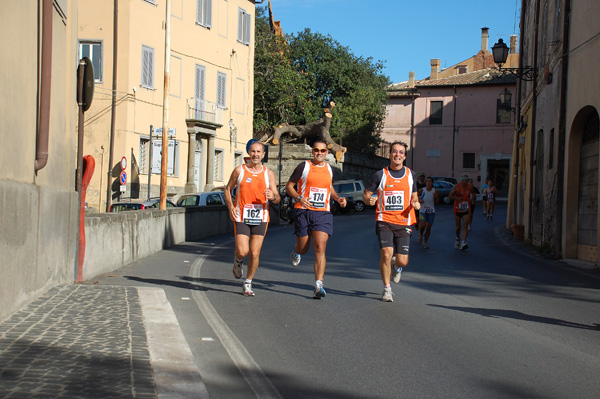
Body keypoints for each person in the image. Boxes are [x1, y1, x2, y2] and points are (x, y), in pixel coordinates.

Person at [286, 140, 347, 299]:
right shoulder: (303, 167)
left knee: (320, 247)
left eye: (322, 150)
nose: (319, 153)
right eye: (316, 150)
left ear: (327, 153)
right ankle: (297, 251)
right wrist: (299, 198)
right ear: (312, 151)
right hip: (303, 211)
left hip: (322, 213)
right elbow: (289, 186)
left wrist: (338, 198)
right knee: (304, 248)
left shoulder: (329, 169)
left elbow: (329, 188)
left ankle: (318, 285)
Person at [363, 141, 420, 302]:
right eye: (395, 151)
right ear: (389, 154)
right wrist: (369, 200)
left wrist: (416, 202)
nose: (397, 155)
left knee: (403, 260)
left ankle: (397, 267)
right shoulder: (380, 175)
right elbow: (366, 195)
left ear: (405, 156)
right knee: (386, 254)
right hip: (384, 220)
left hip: (404, 221)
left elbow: (414, 194)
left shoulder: (411, 175)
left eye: (401, 152)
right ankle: (387, 289)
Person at [224, 141, 279, 296]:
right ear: (249, 153)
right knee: (243, 251)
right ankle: (238, 261)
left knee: (255, 253)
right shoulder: (239, 171)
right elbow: (227, 190)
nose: (255, 154)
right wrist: (231, 207)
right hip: (242, 216)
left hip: (261, 217)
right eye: (253, 151)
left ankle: (248, 283)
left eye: (258, 152)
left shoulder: (268, 174)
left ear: (263, 155)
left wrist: (273, 196)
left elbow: (277, 198)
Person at [448, 175, 476, 251]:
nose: (464, 182)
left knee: (465, 226)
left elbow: (473, 193)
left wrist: (472, 199)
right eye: (463, 180)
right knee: (458, 227)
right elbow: (450, 196)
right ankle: (457, 238)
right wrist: (456, 198)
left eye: (465, 180)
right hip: (457, 209)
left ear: (467, 181)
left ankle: (463, 242)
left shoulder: (469, 187)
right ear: (460, 180)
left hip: (466, 209)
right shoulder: (456, 187)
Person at [417, 176, 439, 249]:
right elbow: (415, 197)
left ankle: (425, 242)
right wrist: (419, 201)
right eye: (427, 181)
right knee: (422, 225)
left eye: (430, 181)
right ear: (425, 182)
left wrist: (435, 198)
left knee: (428, 228)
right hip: (422, 210)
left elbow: (437, 202)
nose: (428, 183)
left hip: (431, 211)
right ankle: (420, 234)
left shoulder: (435, 191)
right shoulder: (422, 190)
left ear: (432, 183)